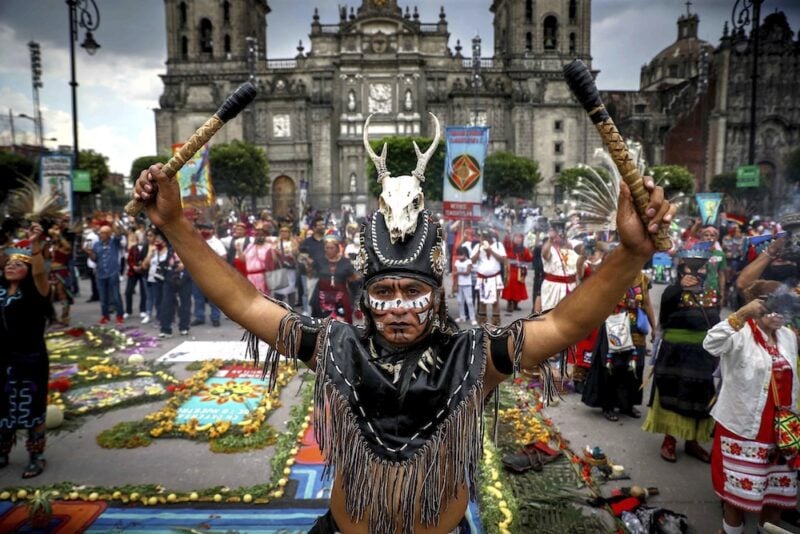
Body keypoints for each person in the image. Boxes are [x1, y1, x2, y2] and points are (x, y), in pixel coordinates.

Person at [133, 113, 674, 533]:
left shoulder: (474, 357)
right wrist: (176, 225)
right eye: (383, 291)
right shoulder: (334, 346)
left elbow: (560, 325)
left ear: (437, 293)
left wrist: (629, 254)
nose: (397, 306)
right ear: (363, 298)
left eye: (413, 291)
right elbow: (246, 303)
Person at [703, 280, 798, 534]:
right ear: (758, 306)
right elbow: (710, 344)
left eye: (785, 307)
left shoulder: (788, 336)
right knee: (737, 499)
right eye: (773, 306)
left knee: (776, 496)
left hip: (782, 433)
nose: (779, 315)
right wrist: (742, 314)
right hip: (743, 428)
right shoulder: (740, 333)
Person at [643, 245, 720, 463]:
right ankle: (669, 440)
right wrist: (679, 288)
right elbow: (665, 315)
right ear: (682, 268)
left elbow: (716, 323)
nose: (697, 272)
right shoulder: (671, 291)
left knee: (699, 397)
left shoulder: (712, 293)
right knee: (672, 393)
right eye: (691, 267)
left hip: (701, 355)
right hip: (674, 353)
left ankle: (693, 442)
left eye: (702, 267)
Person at [0, 225, 53, 478]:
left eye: (18, 264)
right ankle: (3, 451)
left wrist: (35, 245)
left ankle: (36, 456)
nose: (11, 266)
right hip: (4, 359)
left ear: (28, 269)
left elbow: (41, 273)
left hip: (31, 359)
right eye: (8, 263)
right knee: (2, 406)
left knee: (32, 408)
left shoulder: (36, 293)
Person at [582, 269, 655, 421]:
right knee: (613, 367)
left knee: (634, 368)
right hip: (615, 327)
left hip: (636, 329)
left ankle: (627, 405)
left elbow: (647, 304)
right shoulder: (614, 276)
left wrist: (654, 328)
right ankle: (608, 405)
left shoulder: (643, 279)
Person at [310, 235, 357, 323]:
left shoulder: (346, 262)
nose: (329, 250)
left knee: (340, 322)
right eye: (327, 248)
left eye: (332, 248)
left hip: (340, 298)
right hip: (322, 298)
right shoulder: (319, 261)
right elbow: (311, 274)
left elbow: (353, 279)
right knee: (322, 323)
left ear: (337, 248)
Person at [85, 221, 125, 325]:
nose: (100, 234)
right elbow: (95, 259)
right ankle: (105, 316)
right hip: (100, 274)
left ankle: (120, 315)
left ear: (108, 234)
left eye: (103, 233)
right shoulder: (96, 244)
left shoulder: (114, 242)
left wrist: (114, 222)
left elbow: (119, 234)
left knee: (116, 296)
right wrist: (90, 254)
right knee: (103, 298)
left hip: (113, 272)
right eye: (100, 233)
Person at [539, 225, 584, 313]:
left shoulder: (572, 245)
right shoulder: (549, 247)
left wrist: (568, 242)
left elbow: (582, 250)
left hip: (571, 287)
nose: (560, 236)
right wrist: (550, 239)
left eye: (561, 233)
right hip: (553, 288)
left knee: (570, 315)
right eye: (557, 233)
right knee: (550, 314)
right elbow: (545, 254)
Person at [192, 223, 226, 327]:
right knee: (198, 297)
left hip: (212, 274)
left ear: (212, 230)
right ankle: (199, 317)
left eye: (207, 229)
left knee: (213, 297)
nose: (204, 231)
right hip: (197, 273)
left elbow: (224, 257)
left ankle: (215, 318)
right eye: (202, 229)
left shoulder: (216, 243)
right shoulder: (196, 241)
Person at [470, 229, 506, 326]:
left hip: (494, 278)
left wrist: (490, 250)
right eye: (482, 237)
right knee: (482, 301)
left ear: (491, 238)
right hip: (482, 278)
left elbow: (503, 260)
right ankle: (482, 325)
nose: (484, 239)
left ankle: (495, 325)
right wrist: (479, 249)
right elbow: (472, 261)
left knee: (495, 301)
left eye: (486, 237)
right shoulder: (478, 246)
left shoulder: (498, 245)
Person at [158, 238, 192, 338]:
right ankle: (165, 328)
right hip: (169, 278)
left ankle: (184, 327)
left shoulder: (189, 247)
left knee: (185, 304)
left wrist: (185, 264)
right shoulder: (167, 248)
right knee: (166, 303)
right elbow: (161, 262)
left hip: (185, 278)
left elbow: (196, 261)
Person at [239, 222, 279, 295]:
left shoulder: (269, 246)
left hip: (263, 277)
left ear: (265, 235)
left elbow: (275, 261)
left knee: (265, 299)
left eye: (261, 234)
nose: (259, 236)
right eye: (257, 234)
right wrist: (238, 249)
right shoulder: (250, 246)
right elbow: (243, 260)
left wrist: (273, 250)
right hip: (250, 277)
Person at [46, 222, 73, 325]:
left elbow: (68, 247)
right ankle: (52, 317)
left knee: (62, 294)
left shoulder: (64, 245)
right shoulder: (51, 245)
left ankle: (65, 317)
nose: (54, 232)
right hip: (51, 272)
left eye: (56, 229)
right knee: (50, 296)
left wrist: (59, 235)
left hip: (61, 271)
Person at [501, 233, 532, 313]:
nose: (518, 239)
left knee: (519, 288)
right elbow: (505, 243)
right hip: (511, 270)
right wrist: (507, 236)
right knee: (510, 287)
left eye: (520, 238)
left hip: (520, 270)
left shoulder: (524, 249)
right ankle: (509, 303)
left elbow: (529, 258)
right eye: (516, 237)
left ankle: (516, 303)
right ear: (513, 238)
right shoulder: (509, 247)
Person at [142, 230, 167, 325]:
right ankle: (159, 318)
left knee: (162, 299)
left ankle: (165, 317)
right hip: (152, 279)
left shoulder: (167, 251)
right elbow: (144, 265)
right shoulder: (153, 251)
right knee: (156, 299)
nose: (157, 243)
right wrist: (150, 255)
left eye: (159, 241)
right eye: (156, 241)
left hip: (163, 279)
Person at [124, 231, 149, 321]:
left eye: (141, 236)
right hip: (133, 272)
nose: (140, 238)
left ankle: (143, 310)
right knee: (128, 292)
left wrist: (142, 266)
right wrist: (133, 266)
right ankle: (128, 311)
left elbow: (148, 258)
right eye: (138, 237)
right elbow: (129, 259)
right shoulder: (133, 248)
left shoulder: (147, 247)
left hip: (143, 272)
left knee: (144, 292)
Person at [274, 224, 299, 308]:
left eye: (286, 231)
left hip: (290, 268)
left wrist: (294, 252)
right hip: (279, 267)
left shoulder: (293, 242)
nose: (284, 233)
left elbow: (297, 254)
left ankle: (291, 307)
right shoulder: (276, 242)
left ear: (289, 233)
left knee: (290, 288)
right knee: (279, 289)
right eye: (282, 231)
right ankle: (279, 307)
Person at [451, 245, 477, 326]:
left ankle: (472, 318)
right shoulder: (457, 262)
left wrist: (458, 273)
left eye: (461, 254)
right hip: (460, 284)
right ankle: (462, 317)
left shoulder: (468, 262)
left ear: (465, 254)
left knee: (469, 302)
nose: (459, 256)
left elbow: (467, 272)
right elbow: (454, 274)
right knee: (459, 301)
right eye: (458, 254)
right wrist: (455, 285)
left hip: (467, 285)